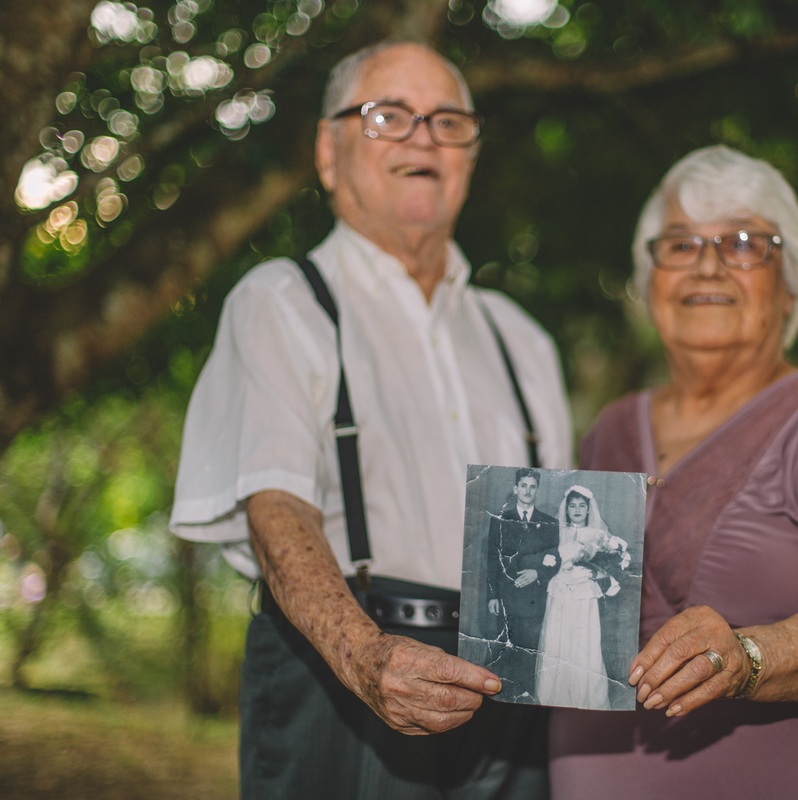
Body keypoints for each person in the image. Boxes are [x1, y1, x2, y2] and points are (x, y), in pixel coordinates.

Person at [169, 40, 572, 798]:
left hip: (513, 691)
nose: (423, 137)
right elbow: (276, 508)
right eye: (390, 115)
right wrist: (364, 654)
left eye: (447, 121)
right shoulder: (281, 302)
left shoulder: (524, 341)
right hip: (339, 679)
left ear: (470, 156)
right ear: (329, 151)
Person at [548, 145, 798, 799]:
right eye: (679, 244)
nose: (706, 264)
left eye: (740, 244)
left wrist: (749, 656)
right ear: (649, 280)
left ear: (790, 283)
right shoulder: (608, 431)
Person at [537, 485, 625, 710]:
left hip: (585, 592)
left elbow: (612, 565)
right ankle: (554, 697)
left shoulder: (599, 535)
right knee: (557, 642)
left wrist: (595, 572)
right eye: (572, 506)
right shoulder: (556, 532)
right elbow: (549, 561)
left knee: (585, 643)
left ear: (588, 509)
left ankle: (586, 698)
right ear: (566, 510)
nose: (577, 510)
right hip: (560, 591)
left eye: (581, 506)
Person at [486, 468, 560, 702]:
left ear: (537, 490)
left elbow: (556, 559)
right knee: (507, 646)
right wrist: (493, 595)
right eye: (524, 485)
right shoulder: (499, 520)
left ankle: (527, 693)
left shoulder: (549, 523)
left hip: (534, 597)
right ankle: (506, 693)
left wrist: (537, 572)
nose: (528, 490)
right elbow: (492, 559)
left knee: (531, 646)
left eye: (532, 486)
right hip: (507, 596)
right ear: (516, 488)